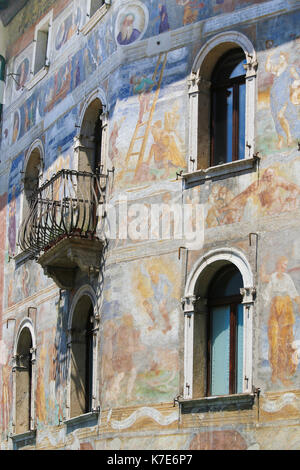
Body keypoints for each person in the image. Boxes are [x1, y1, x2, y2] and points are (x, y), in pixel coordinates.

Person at [261, 256, 300, 386]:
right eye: (283, 264)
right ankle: (275, 373)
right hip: (275, 309)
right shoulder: (272, 278)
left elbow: (294, 294)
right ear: (278, 264)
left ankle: (284, 375)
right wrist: (264, 262)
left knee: (286, 343)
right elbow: (263, 280)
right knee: (274, 343)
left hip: (286, 310)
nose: (285, 267)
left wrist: (299, 305)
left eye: (286, 265)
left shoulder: (287, 278)